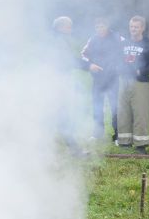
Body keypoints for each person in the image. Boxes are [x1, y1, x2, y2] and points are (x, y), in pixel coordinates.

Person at [117, 16, 149, 153]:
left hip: (140, 83)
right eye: (131, 27)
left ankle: (141, 144)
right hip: (124, 81)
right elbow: (117, 60)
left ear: (142, 28)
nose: (133, 29)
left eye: (136, 27)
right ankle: (124, 142)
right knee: (123, 111)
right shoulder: (124, 44)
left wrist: (141, 70)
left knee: (141, 113)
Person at [81, 17, 123, 141]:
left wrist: (119, 66)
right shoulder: (92, 39)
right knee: (97, 106)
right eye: (97, 27)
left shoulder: (117, 37)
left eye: (102, 26)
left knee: (115, 106)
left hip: (113, 79)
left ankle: (117, 135)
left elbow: (126, 51)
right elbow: (83, 54)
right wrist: (90, 65)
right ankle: (97, 133)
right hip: (98, 79)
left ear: (107, 26)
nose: (100, 29)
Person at [52, 16, 89, 156]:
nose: (71, 29)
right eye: (69, 26)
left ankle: (71, 145)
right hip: (58, 81)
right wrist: (88, 65)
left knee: (62, 115)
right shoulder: (58, 41)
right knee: (62, 115)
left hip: (62, 80)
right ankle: (73, 147)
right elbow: (69, 60)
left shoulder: (60, 39)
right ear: (61, 27)